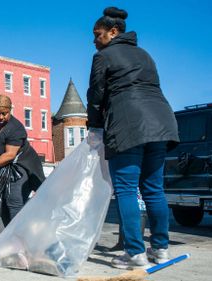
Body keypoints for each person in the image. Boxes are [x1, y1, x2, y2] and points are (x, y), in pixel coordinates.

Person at [86, 7, 179, 269]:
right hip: (160, 122)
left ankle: (135, 253)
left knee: (126, 189)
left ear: (113, 32)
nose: (94, 40)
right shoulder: (145, 55)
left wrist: (94, 130)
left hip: (128, 125)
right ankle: (161, 249)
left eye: (97, 34)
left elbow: (96, 96)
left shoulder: (103, 56)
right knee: (154, 189)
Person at [0, 95, 45, 227]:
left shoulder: (16, 128)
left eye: (4, 113)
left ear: (10, 110)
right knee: (5, 207)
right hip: (1, 166)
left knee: (13, 198)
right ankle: (11, 237)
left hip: (21, 165)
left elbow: (9, 155)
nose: (0, 117)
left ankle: (20, 238)